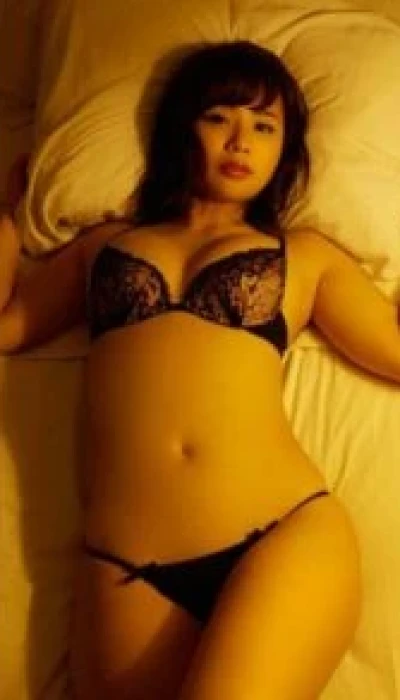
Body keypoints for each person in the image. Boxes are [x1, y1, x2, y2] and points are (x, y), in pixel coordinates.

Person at [1, 39, 399, 700]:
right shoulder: (104, 246)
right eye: (219, 117)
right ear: (183, 127)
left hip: (281, 538)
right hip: (126, 569)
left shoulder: (305, 255)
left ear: (285, 150)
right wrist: (8, 218)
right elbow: (8, 329)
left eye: (264, 126)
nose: (241, 141)